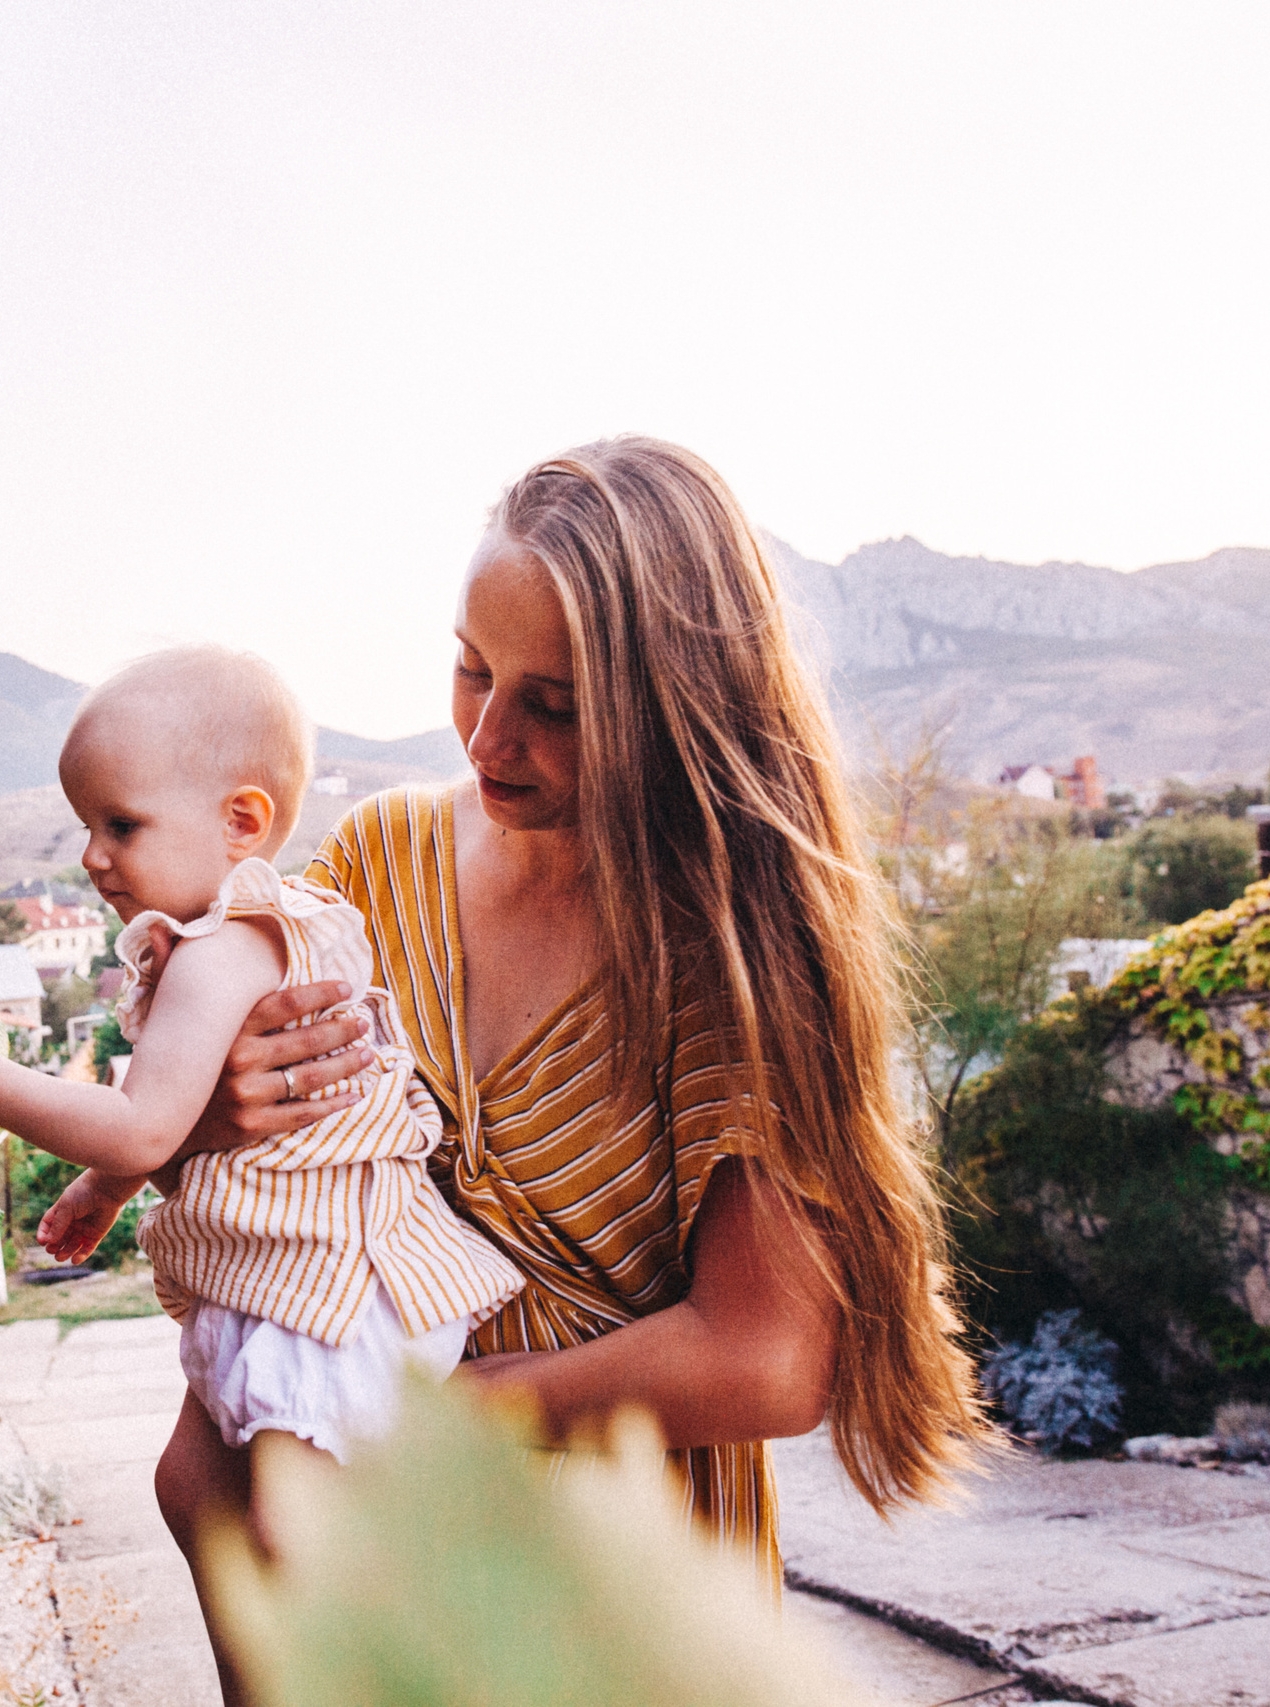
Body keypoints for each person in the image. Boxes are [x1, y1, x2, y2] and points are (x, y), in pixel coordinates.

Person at [130, 438, 991, 1702]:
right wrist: (218, 1106)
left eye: (557, 703)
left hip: (603, 1594)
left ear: (672, 708)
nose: (487, 734)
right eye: (473, 669)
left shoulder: (731, 964)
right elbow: (254, 1165)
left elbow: (766, 1360)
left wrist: (439, 1425)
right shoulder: (378, 864)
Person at [0, 646, 526, 1505]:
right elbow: (184, 1113)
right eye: (86, 826)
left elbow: (146, 1124)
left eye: (120, 825)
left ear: (240, 822)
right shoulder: (242, 935)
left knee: (287, 1536)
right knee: (206, 1499)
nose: (90, 855)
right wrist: (107, 1188)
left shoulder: (222, 947)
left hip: (331, 1297)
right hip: (299, 1280)